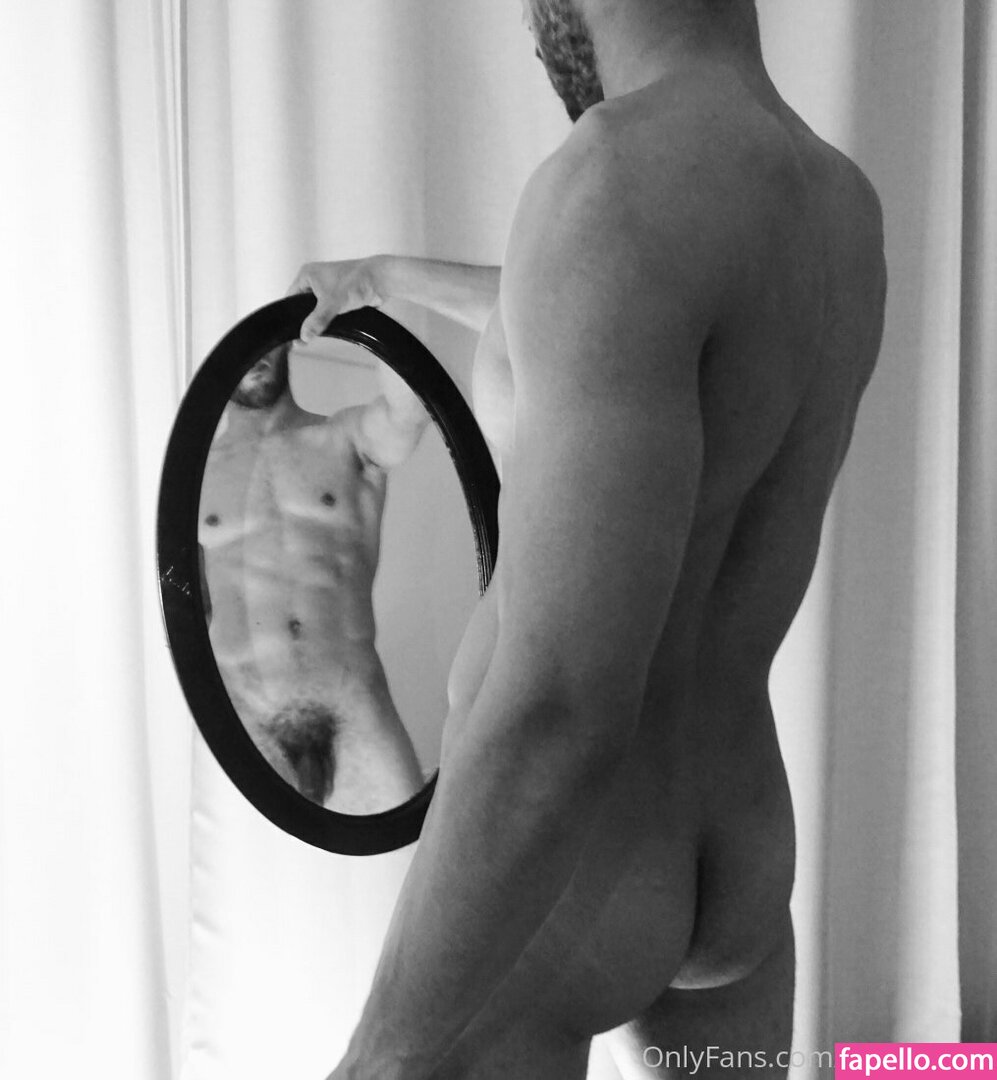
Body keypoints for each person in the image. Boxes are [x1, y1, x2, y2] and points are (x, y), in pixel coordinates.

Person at [291, 0, 886, 1075]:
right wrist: (386, 279)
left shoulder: (614, 181)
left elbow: (558, 705)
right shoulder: (837, 203)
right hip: (740, 852)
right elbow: (600, 320)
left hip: (577, 874)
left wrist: (377, 1059)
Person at [199, 341, 430, 815]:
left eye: (264, 338)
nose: (255, 355)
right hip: (244, 715)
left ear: (287, 341)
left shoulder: (342, 439)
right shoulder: (195, 474)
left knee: (412, 850)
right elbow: (189, 603)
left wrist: (372, 306)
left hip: (351, 706)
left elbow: (410, 412)